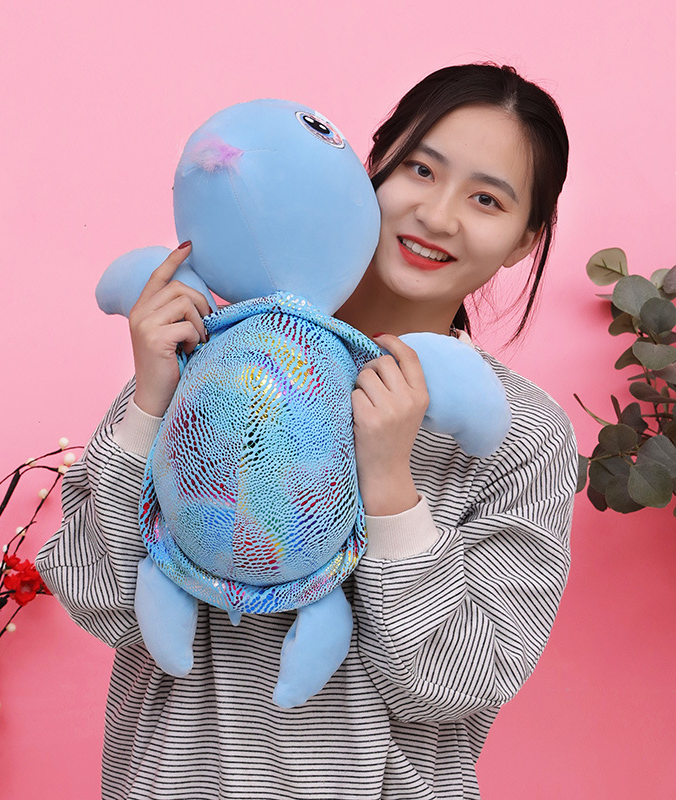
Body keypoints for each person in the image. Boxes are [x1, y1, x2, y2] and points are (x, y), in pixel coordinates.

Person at [36, 63, 577, 800]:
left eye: (487, 199)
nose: (439, 216)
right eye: (420, 169)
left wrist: (390, 488)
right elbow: (94, 594)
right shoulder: (217, 350)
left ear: (524, 240)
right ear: (370, 167)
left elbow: (458, 684)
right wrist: (150, 406)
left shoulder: (520, 435)